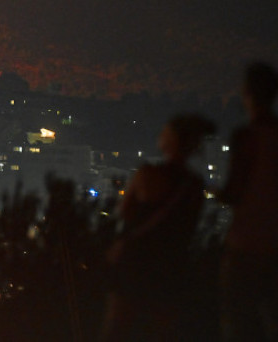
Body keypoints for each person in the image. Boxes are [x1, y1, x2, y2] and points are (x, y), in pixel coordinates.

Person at [100, 113, 215, 341]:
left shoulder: (147, 174)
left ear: (170, 140)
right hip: (171, 265)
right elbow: (190, 227)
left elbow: (124, 213)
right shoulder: (194, 185)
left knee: (118, 325)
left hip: (135, 261)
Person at [218, 62, 278, 341]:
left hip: (247, 244)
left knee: (240, 320)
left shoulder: (247, 137)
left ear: (248, 94)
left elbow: (233, 191)